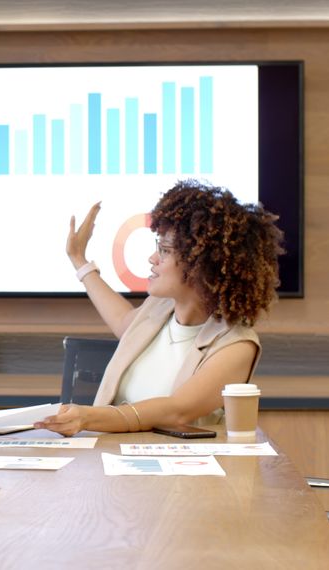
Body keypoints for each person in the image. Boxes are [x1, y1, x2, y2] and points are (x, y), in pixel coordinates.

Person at [37, 180, 284, 436]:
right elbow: (123, 321)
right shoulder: (159, 308)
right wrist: (80, 261)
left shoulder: (236, 345)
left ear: (201, 266)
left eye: (165, 250)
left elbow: (177, 411)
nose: (153, 259)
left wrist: (88, 416)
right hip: (110, 463)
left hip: (182, 473)